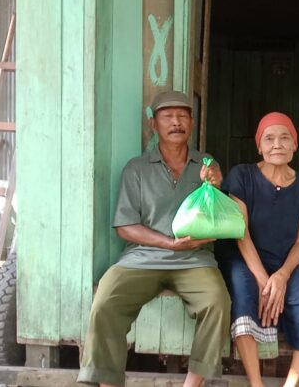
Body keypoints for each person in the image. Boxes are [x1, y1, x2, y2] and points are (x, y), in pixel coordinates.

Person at [78, 90, 231, 387]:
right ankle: (106, 382)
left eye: (183, 115)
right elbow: (125, 226)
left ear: (192, 121)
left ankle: (193, 383)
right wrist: (169, 243)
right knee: (105, 301)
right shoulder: (136, 168)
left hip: (195, 259)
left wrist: (216, 181)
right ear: (154, 125)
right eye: (167, 116)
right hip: (142, 257)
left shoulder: (205, 164)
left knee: (218, 301)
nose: (176, 122)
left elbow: (218, 211)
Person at [216, 112, 299, 387]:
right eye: (269, 138)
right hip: (245, 256)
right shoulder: (241, 176)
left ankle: (290, 383)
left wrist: (281, 276)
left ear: (295, 145)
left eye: (284, 138)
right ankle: (256, 384)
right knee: (243, 298)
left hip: (287, 259)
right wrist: (263, 279)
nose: (277, 144)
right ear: (259, 146)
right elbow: (240, 232)